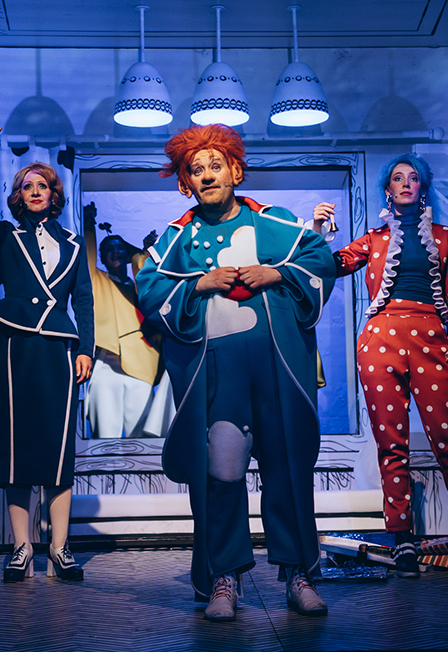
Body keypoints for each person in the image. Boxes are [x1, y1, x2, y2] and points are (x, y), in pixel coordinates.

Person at [136, 124, 336, 621]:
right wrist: (200, 283)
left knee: (287, 468)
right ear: (185, 182)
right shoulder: (178, 238)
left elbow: (318, 258)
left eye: (215, 166)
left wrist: (277, 272)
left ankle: (298, 573)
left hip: (276, 373)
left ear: (236, 172)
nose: (207, 175)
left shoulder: (274, 223)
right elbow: (150, 288)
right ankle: (225, 576)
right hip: (219, 379)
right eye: (196, 169)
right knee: (222, 473)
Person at [314, 153, 448, 578]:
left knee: (446, 437)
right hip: (380, 339)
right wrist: (318, 231)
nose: (406, 183)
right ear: (388, 190)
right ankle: (402, 538)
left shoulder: (444, 238)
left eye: (413, 177)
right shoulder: (373, 239)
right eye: (397, 178)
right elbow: (329, 266)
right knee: (391, 444)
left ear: (422, 187)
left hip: (432, 336)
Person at [0, 162, 95, 582]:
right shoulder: (5, 236)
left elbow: (84, 300)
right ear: (18, 196)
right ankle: (21, 547)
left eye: (43, 185)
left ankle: (59, 547)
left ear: (54, 194)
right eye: (27, 186)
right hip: (14, 344)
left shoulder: (72, 243)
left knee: (59, 449)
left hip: (60, 347)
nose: (35, 191)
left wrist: (86, 349)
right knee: (15, 446)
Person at [83, 203, 167, 439]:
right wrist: (89, 225)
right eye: (109, 249)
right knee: (104, 439)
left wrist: (140, 251)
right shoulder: (96, 280)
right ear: (102, 257)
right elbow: (86, 256)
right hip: (106, 366)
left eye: (120, 248)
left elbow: (145, 269)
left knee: (143, 441)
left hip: (141, 368)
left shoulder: (140, 289)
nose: (116, 252)